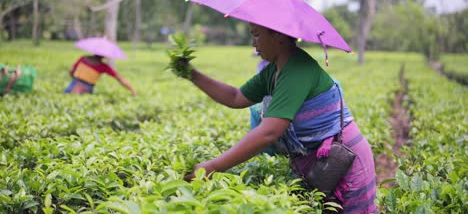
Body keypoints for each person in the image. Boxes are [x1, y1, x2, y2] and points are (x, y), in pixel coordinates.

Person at [183, 23, 377, 213]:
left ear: (279, 36)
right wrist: (192, 74)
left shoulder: (298, 69)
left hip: (343, 160)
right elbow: (236, 97)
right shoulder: (273, 71)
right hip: (318, 164)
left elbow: (269, 131)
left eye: (257, 35)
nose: (253, 43)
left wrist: (213, 166)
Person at [64, 55, 137, 95]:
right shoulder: (103, 66)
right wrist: (132, 90)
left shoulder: (83, 58)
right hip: (87, 87)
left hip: (74, 83)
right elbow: (119, 78)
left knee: (68, 95)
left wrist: (77, 78)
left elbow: (71, 71)